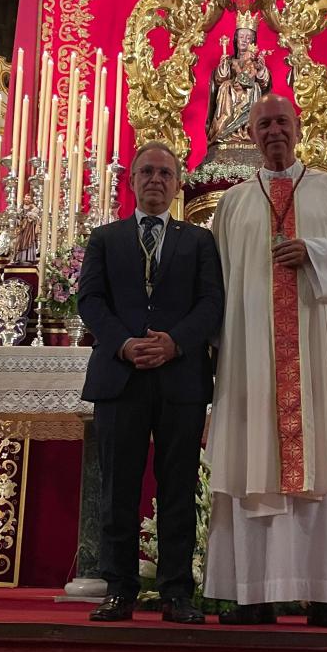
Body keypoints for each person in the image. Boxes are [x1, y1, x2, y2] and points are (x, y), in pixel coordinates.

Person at [204, 94, 327, 628]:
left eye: (282, 121)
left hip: (317, 359)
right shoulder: (232, 204)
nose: (274, 130)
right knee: (252, 458)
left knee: (325, 462)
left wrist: (317, 253)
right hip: (251, 362)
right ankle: (252, 594)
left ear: (299, 127)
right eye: (263, 123)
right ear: (250, 132)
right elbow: (215, 286)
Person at [78, 141, 224, 624]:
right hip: (120, 378)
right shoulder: (105, 238)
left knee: (178, 487)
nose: (156, 180)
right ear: (132, 181)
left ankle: (176, 592)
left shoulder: (200, 241)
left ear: (178, 183)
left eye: (165, 173)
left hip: (180, 379)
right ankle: (118, 588)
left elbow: (211, 306)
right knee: (117, 488)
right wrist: (123, 343)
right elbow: (91, 302)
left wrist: (174, 343)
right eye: (147, 172)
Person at [208, 21, 272, 147]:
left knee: (255, 87)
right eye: (241, 37)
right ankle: (225, 130)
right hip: (230, 91)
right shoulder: (231, 60)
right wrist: (224, 64)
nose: (244, 41)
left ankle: (248, 130)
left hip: (250, 90)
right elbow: (220, 78)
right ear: (236, 39)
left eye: (248, 38)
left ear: (253, 41)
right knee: (225, 85)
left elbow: (264, 82)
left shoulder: (255, 63)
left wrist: (261, 69)